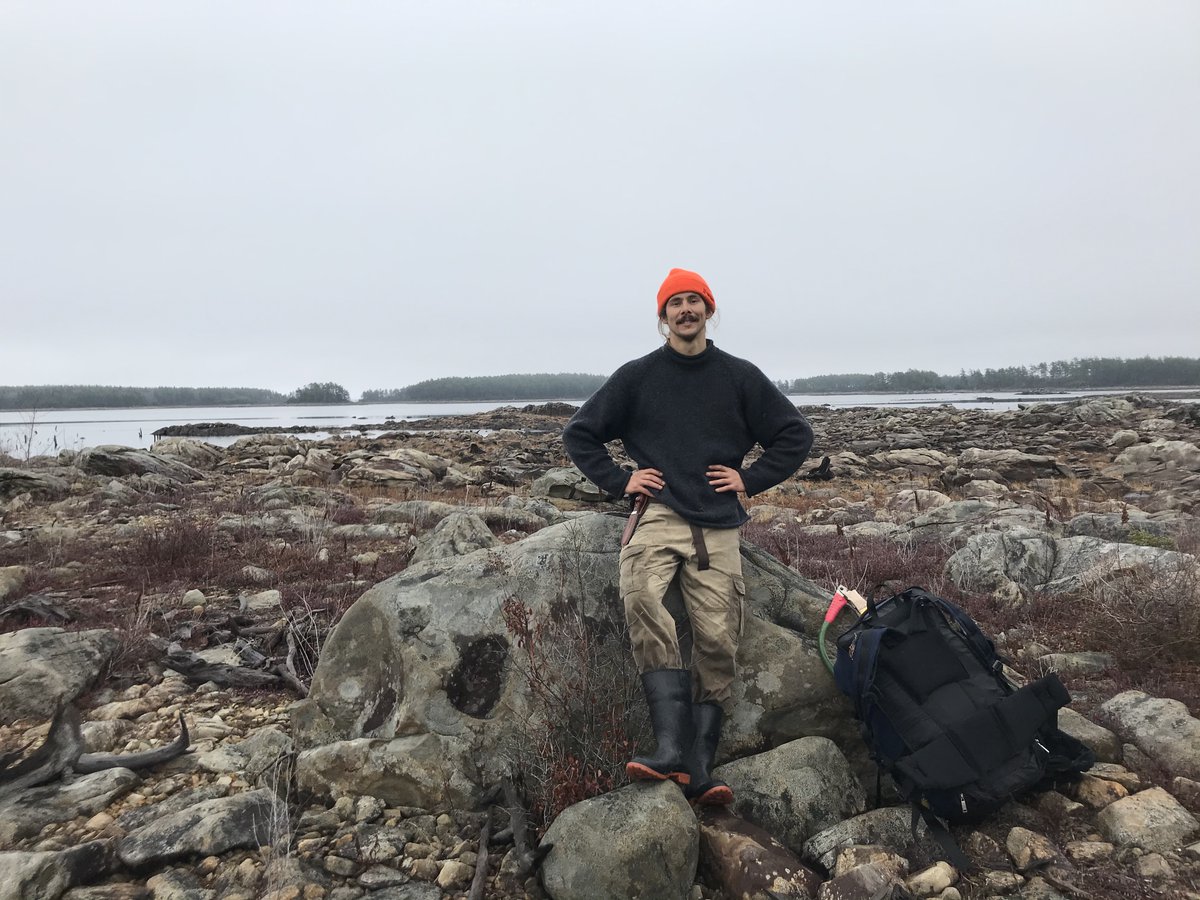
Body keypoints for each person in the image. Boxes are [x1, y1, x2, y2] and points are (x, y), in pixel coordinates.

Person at [562, 268, 814, 805]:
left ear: (708, 310)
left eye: (694, 301)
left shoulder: (739, 376)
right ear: (663, 316)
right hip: (657, 513)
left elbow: (795, 434)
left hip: (718, 522)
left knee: (718, 637)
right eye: (674, 303)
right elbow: (579, 433)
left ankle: (700, 766)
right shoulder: (637, 377)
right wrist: (620, 480)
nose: (685, 310)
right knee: (641, 599)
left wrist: (749, 479)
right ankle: (669, 747)